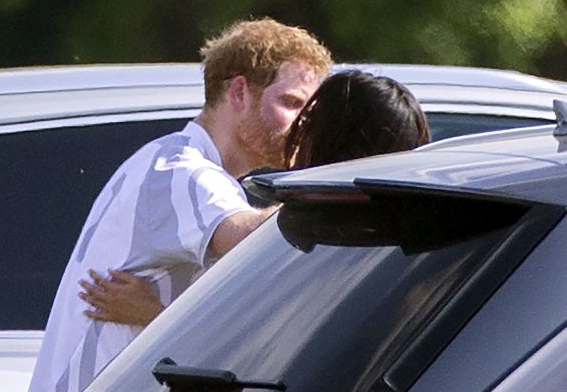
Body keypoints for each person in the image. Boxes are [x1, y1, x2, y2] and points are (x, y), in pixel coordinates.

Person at [28, 18, 332, 392]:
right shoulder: (180, 171)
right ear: (239, 92)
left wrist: (155, 316)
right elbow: (247, 237)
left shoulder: (181, 168)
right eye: (291, 103)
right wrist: (331, 196)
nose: (303, 123)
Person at [78, 70, 430, 329]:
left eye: (308, 117)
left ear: (331, 138)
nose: (296, 129)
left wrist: (151, 317)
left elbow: (251, 360)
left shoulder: (320, 244)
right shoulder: (422, 233)